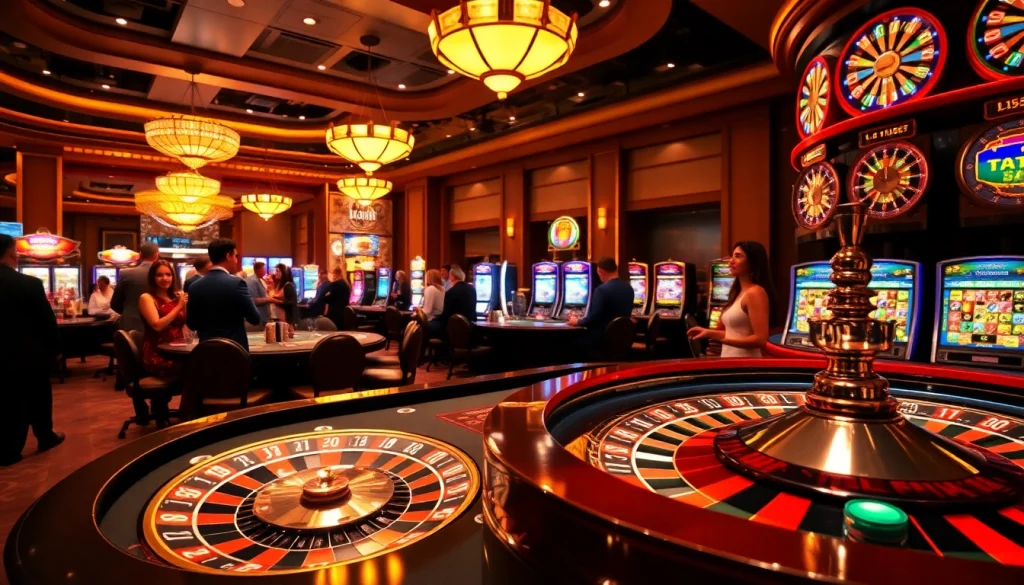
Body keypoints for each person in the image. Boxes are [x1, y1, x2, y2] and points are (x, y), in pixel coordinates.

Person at [0, 234, 65, 466]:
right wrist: (56, 350)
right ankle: (44, 437)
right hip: (28, 354)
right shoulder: (29, 284)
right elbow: (47, 322)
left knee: (6, 400)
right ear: (11, 253)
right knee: (36, 397)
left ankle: (8, 449)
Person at [688, 241, 774, 357]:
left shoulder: (755, 292)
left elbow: (760, 339)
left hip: (746, 365)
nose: (731, 261)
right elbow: (733, 334)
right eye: (732, 256)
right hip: (731, 361)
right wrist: (707, 332)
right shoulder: (737, 292)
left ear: (753, 263)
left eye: (738, 256)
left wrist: (724, 340)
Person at [185, 238, 261, 351]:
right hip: (234, 350)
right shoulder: (237, 283)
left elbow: (191, 324)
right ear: (228, 255)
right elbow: (255, 318)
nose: (236, 261)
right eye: (235, 256)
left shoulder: (194, 286)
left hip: (206, 350)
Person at [136, 261, 186, 424]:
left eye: (168, 274)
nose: (165, 278)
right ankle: (187, 415)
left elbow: (183, 324)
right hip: (158, 354)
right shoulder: (147, 298)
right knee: (196, 369)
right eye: (159, 275)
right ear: (152, 278)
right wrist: (179, 306)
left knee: (201, 363)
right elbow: (157, 325)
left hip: (177, 350)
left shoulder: (174, 297)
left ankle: (189, 413)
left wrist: (184, 306)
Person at [569, 257, 635, 350]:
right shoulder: (629, 288)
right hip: (621, 340)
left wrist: (578, 321)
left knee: (565, 342)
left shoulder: (601, 290)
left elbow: (593, 317)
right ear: (616, 269)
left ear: (600, 271)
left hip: (600, 340)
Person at [111, 241, 159, 334]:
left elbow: (115, 304)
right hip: (159, 323)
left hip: (132, 324)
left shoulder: (126, 273)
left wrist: (128, 312)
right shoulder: (166, 275)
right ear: (156, 255)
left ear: (140, 255)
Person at [431, 265, 476, 338]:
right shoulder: (472, 290)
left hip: (453, 330)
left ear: (452, 276)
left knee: (427, 326)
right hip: (469, 329)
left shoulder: (450, 292)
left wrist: (435, 319)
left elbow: (446, 315)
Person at [324, 264, 352, 330]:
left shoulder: (335, 284)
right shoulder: (345, 283)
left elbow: (326, 298)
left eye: (330, 273)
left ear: (335, 273)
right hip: (344, 312)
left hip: (335, 313)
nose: (329, 275)